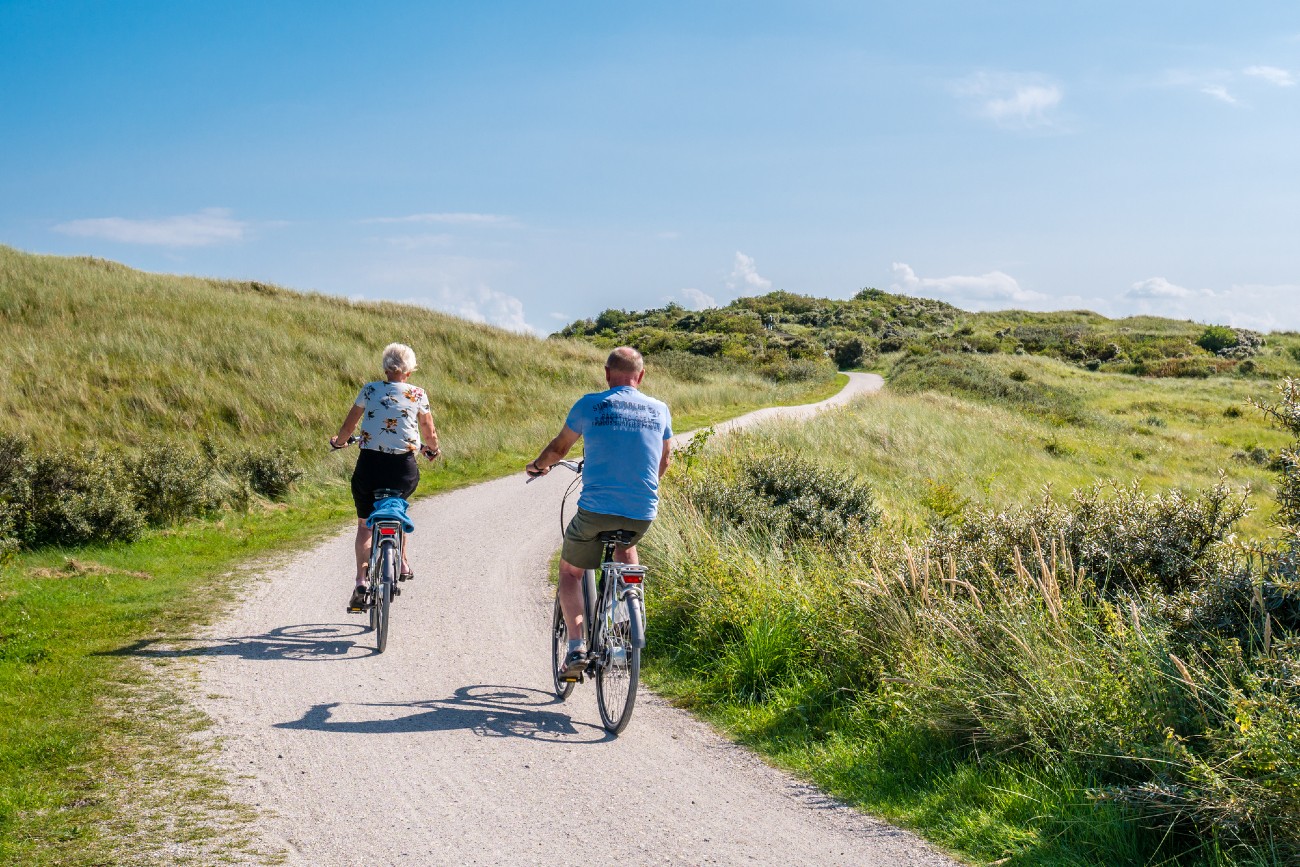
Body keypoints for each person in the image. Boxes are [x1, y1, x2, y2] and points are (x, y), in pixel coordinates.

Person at [526, 346, 672, 677]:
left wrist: (538, 466)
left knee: (570, 572)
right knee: (625, 544)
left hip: (595, 511)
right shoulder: (660, 409)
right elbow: (664, 461)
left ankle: (576, 647)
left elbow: (559, 448)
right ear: (641, 375)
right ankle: (628, 605)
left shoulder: (590, 404)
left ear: (607, 374)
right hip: (642, 512)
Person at [330, 343, 440, 611]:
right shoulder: (417, 394)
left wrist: (339, 442)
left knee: (365, 525)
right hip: (403, 469)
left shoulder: (370, 390)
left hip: (370, 467)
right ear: (410, 370)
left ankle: (361, 581)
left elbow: (350, 425)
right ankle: (401, 561)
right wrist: (433, 449)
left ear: (385, 368)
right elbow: (428, 430)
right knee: (397, 509)